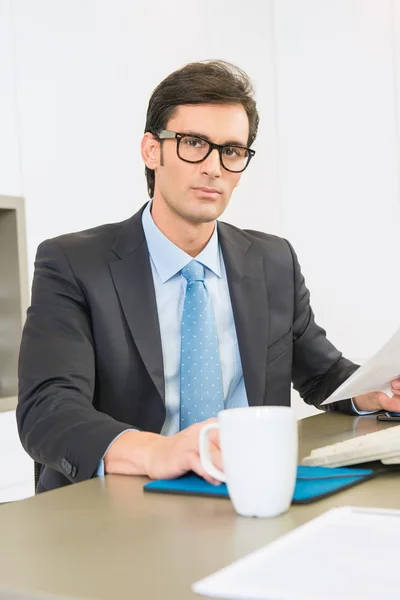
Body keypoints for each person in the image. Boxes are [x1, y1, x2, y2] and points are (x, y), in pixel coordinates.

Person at [17, 60, 400, 493]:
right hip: (127, 501)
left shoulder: (272, 260)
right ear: (151, 150)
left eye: (232, 151)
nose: (214, 167)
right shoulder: (73, 262)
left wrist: (372, 393)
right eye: (193, 143)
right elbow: (48, 410)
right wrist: (158, 452)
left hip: (249, 489)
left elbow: (321, 374)